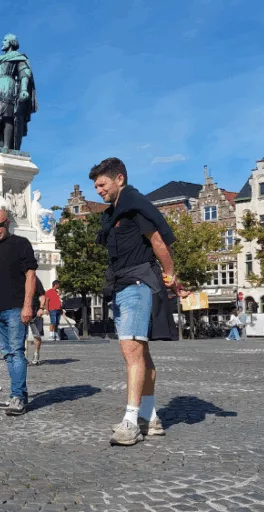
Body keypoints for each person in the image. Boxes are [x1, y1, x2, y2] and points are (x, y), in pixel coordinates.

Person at [91, 157, 185, 446]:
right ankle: (150, 417)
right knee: (140, 353)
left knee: (131, 350)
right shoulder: (115, 211)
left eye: (102, 184)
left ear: (119, 178)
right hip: (122, 285)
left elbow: (157, 240)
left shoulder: (134, 203)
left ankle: (131, 421)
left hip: (137, 282)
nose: (98, 191)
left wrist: (170, 274)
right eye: (95, 187)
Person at [0, 208, 38, 416]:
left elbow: (31, 276)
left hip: (15, 308)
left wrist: (27, 305)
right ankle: (17, 396)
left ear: (8, 224)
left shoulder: (21, 244)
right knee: (7, 354)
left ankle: (17, 397)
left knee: (16, 352)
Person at [29, 276, 47, 365]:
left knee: (37, 335)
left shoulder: (34, 279)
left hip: (35, 311)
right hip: (19, 311)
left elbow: (42, 294)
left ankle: (36, 354)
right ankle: (21, 357)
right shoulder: (16, 277)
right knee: (19, 336)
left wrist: (41, 308)